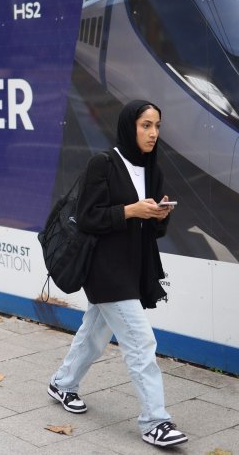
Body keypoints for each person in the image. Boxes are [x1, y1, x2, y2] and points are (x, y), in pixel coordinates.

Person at [47, 99, 187, 448]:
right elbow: (89, 217)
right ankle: (155, 421)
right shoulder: (104, 164)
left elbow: (152, 231)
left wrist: (159, 216)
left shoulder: (153, 170)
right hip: (105, 269)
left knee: (95, 334)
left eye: (157, 126)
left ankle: (62, 384)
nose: (153, 133)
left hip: (133, 268)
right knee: (141, 343)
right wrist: (130, 210)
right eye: (145, 125)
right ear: (129, 126)